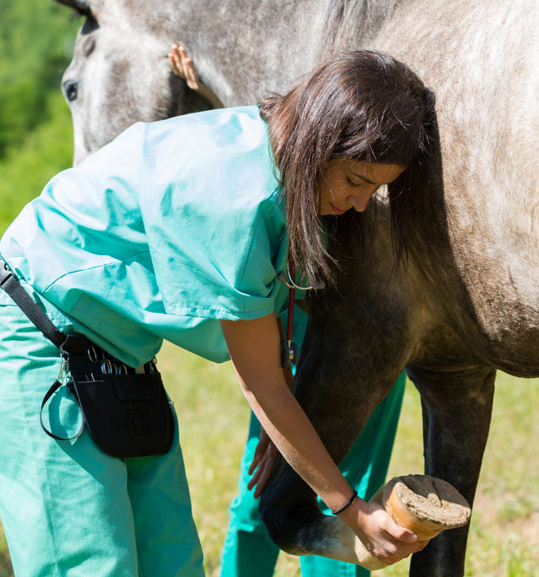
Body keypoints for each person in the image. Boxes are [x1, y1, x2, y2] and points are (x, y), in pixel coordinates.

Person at [0, 49, 433, 577]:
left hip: (121, 352)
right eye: (355, 181)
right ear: (320, 139)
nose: (362, 205)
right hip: (38, 329)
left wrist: (293, 439)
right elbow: (262, 383)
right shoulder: (234, 196)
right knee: (91, 566)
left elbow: (272, 338)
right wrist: (350, 508)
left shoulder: (281, 159)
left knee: (174, 565)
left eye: (375, 188)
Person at [168, 44, 409, 577]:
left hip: (368, 338)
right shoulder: (281, 169)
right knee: (262, 489)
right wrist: (205, 94)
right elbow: (258, 146)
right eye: (355, 185)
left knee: (350, 496)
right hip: (286, 339)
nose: (360, 200)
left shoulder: (370, 153)